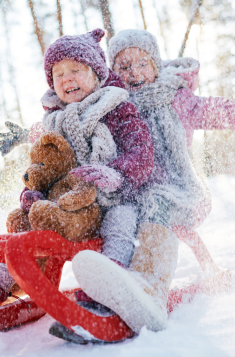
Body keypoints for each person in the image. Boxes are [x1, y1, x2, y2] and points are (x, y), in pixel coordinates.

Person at [0, 29, 235, 342]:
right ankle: (24, 276)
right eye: (123, 66)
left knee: (151, 205)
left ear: (156, 64)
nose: (134, 72)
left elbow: (229, 112)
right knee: (75, 212)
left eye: (142, 64)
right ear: (111, 71)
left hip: (171, 192)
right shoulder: (112, 104)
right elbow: (70, 123)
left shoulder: (175, 100)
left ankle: (146, 286)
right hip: (120, 192)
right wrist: (23, 137)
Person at [0, 28, 154, 321]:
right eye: (58, 74)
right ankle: (8, 275)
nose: (66, 78)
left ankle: (111, 283)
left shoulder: (117, 108)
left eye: (75, 70)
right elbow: (43, 167)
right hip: (66, 202)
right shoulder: (53, 120)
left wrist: (115, 174)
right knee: (26, 220)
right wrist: (31, 191)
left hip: (113, 197)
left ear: (96, 74)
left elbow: (142, 153)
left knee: (119, 224)